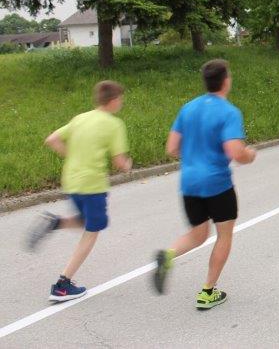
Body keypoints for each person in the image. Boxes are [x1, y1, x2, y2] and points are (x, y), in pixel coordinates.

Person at [153, 59, 256, 309]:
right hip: (217, 183)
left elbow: (171, 148)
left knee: (198, 235)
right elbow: (235, 151)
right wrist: (249, 155)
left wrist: (193, 156)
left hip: (189, 182)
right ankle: (208, 291)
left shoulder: (188, 108)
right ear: (226, 81)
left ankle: (168, 255)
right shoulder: (229, 112)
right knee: (224, 235)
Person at [28, 80, 132, 302]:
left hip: (71, 180)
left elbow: (52, 139)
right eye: (121, 99)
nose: (121, 103)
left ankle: (55, 223)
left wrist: (73, 157)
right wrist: (127, 165)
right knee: (93, 230)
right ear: (113, 101)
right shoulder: (114, 124)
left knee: (85, 220)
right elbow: (119, 162)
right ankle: (62, 285)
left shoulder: (80, 118)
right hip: (92, 184)